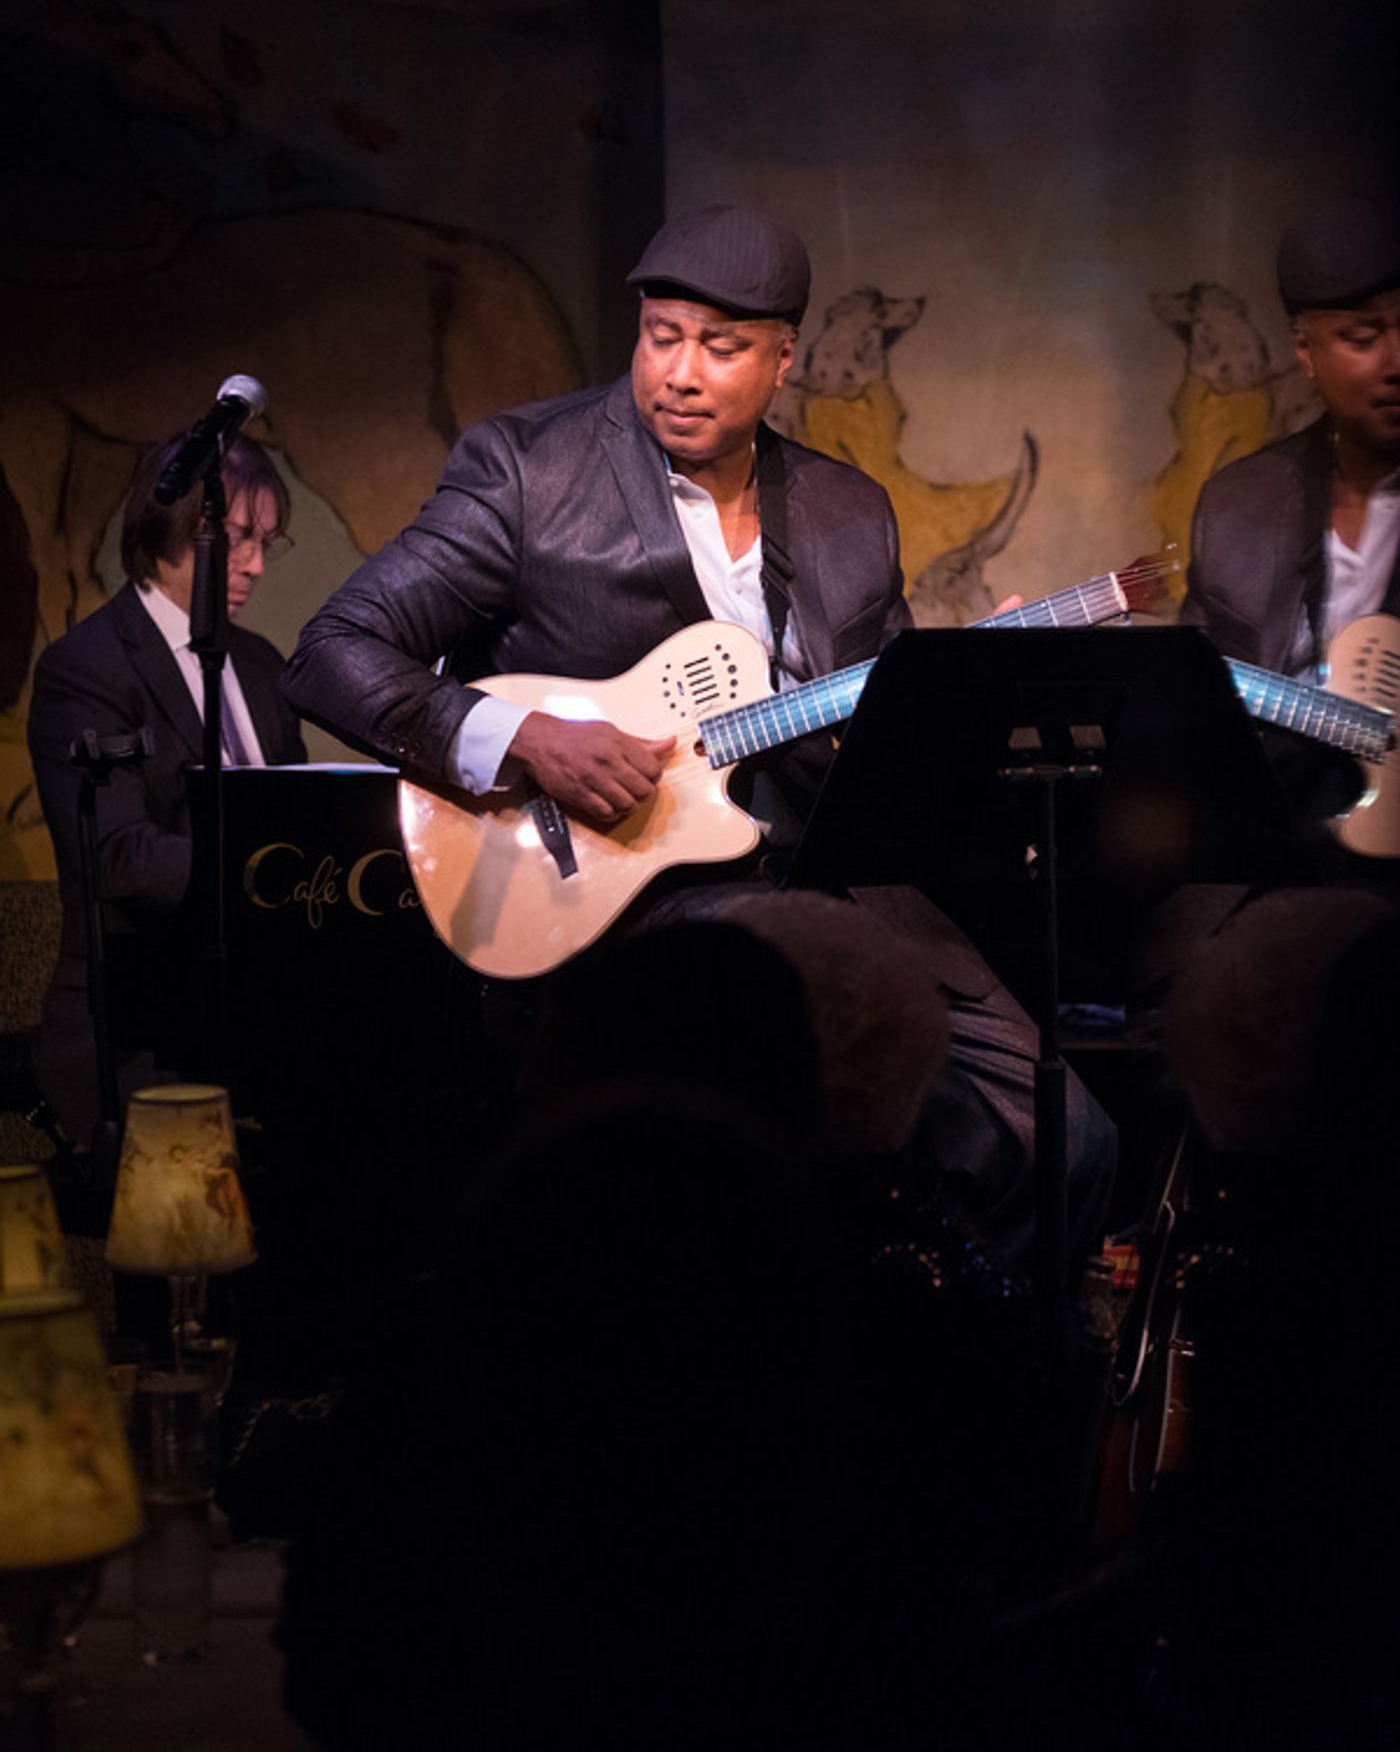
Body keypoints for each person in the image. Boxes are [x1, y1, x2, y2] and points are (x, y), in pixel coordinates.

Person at [283, 203, 1114, 1275]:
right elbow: (333, 650)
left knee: (1070, 1140)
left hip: (836, 887)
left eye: (720, 347)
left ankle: (956, 1350)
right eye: (661, 335)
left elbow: (886, 745)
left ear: (782, 359)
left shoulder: (848, 512)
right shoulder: (530, 470)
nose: (679, 372)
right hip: (633, 897)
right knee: (795, 1126)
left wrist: (962, 696)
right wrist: (522, 736)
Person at [27, 431, 305, 1140]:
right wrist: (265, 870)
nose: (255, 566)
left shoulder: (261, 664)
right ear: (172, 528)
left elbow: (297, 817)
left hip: (262, 1020)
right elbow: (118, 857)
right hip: (137, 1031)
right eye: (238, 539)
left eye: (267, 542)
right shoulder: (87, 668)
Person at [1181, 193, 1400, 846]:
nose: (1396, 363)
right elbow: (1191, 701)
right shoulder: (1238, 504)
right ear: (1305, 351)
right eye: (1363, 338)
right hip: (1279, 843)